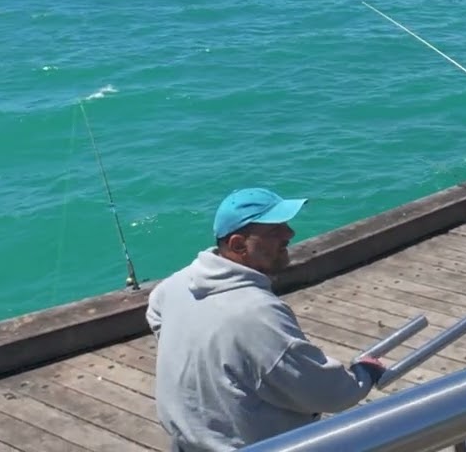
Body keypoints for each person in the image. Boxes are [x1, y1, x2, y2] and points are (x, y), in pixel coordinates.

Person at [147, 187, 386, 451]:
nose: (290, 234)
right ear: (239, 245)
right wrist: (365, 372)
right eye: (275, 231)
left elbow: (155, 315)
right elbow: (327, 392)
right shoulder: (258, 313)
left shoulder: (173, 285)